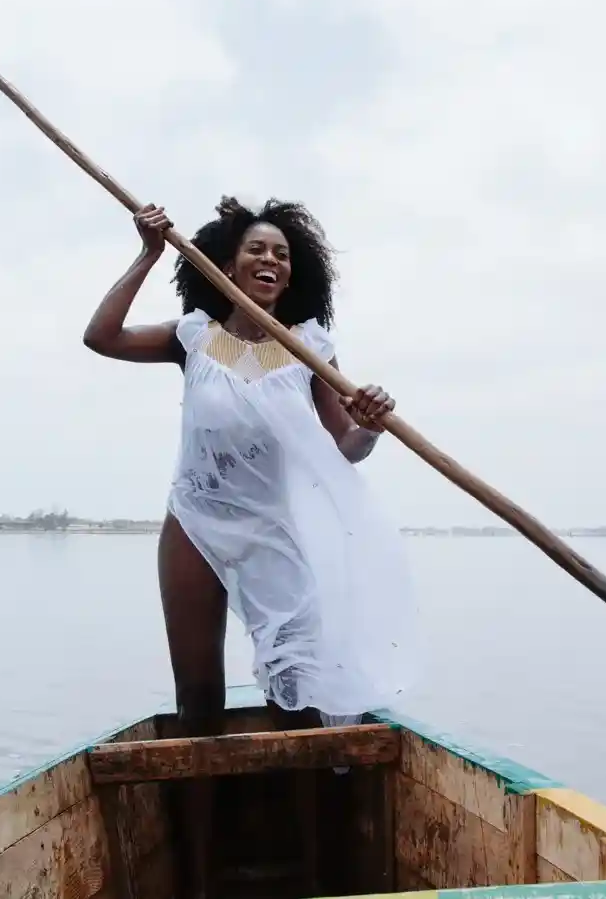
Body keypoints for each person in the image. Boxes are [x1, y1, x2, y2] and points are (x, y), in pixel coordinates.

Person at [82, 195, 420, 896]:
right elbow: (101, 335)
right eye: (257, 250)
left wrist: (373, 424)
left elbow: (343, 448)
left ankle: (315, 876)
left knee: (298, 698)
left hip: (275, 535)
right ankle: (199, 881)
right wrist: (147, 254)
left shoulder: (308, 346)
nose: (270, 260)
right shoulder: (193, 337)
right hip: (197, 523)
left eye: (282, 254)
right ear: (228, 261)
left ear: (294, 274)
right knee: (198, 704)